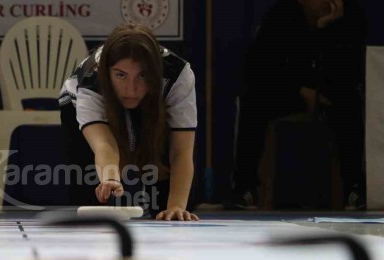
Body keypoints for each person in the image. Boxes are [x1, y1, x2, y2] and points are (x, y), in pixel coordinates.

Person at [228, 0, 368, 210]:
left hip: (333, 94)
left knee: (351, 106)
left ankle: (354, 188)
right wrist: (300, 91)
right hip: (290, 93)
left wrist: (326, 28)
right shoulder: (280, 15)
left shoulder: (351, 17)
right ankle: (245, 188)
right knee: (254, 100)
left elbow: (349, 70)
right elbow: (260, 66)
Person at [59, 23, 199, 221]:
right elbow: (104, 144)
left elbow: (181, 151)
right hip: (79, 105)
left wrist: (176, 205)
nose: (131, 89)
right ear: (107, 72)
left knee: (172, 210)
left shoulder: (178, 75)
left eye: (142, 76)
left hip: (154, 105)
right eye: (121, 75)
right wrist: (110, 179)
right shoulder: (91, 79)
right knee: (87, 198)